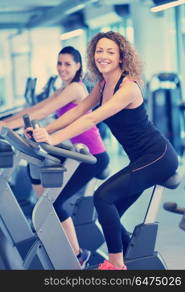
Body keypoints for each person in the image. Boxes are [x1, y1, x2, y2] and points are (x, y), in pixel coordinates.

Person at [29, 31, 179, 270]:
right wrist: (44, 130)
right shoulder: (102, 84)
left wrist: (53, 138)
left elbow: (91, 120)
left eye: (110, 51)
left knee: (103, 197)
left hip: (158, 157)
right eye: (99, 50)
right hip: (140, 160)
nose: (103, 56)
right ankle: (135, 260)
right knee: (110, 213)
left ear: (121, 56)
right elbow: (78, 112)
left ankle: (117, 265)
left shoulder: (128, 87)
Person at [0, 46, 109, 269]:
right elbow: (35, 109)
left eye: (67, 64)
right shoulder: (65, 87)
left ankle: (78, 255)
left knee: (53, 203)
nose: (62, 68)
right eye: (60, 63)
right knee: (41, 185)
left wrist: (5, 126)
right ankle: (49, 236)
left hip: (92, 156)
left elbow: (40, 114)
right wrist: (5, 123)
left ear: (78, 66)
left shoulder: (76, 88)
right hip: (76, 154)